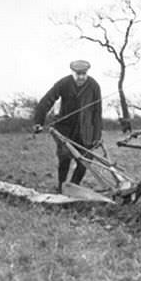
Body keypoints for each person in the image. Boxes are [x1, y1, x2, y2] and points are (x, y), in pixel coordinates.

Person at [33, 60, 102, 193]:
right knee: (64, 159)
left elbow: (97, 112)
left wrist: (97, 135)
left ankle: (73, 188)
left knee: (85, 162)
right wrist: (38, 122)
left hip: (86, 130)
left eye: (84, 74)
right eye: (78, 74)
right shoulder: (64, 83)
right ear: (72, 72)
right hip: (65, 130)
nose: (81, 77)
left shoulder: (94, 86)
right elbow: (47, 100)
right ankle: (61, 187)